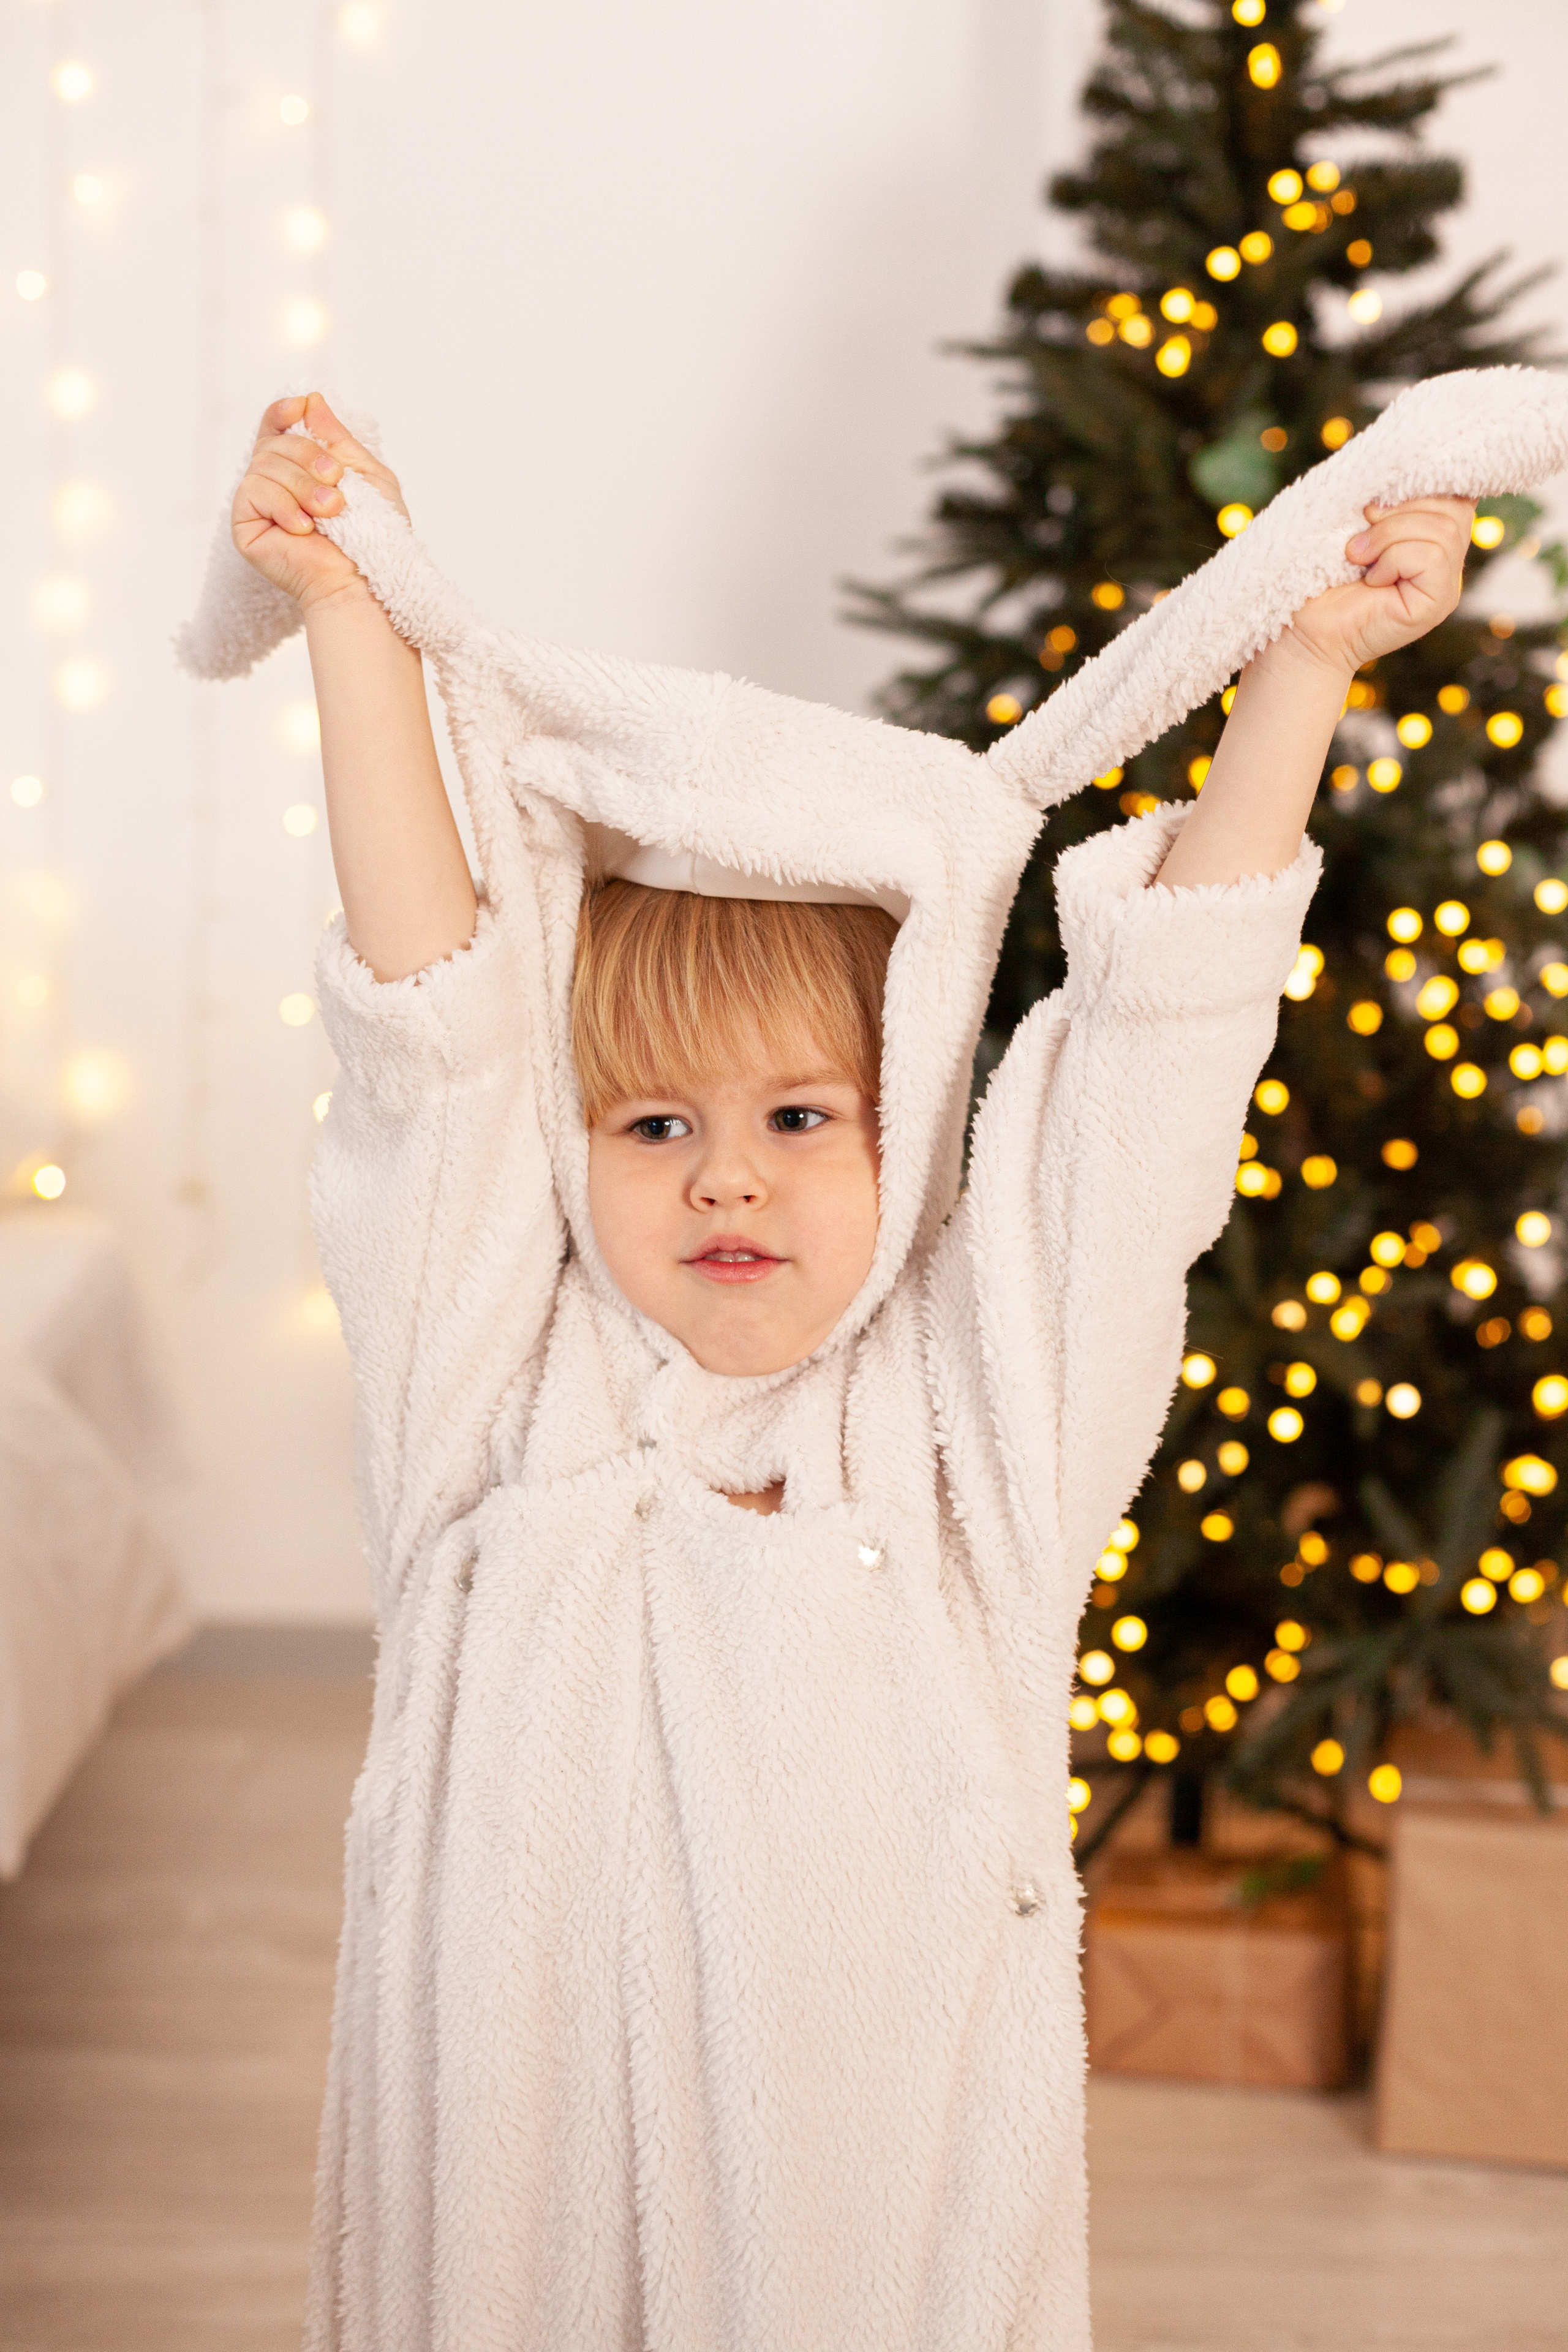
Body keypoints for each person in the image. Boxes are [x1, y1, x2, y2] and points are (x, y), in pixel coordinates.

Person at [195, 379, 1509, 2349]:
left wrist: (1307, 663)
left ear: (905, 1120)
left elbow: (1151, 1059)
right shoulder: (497, 1382)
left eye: (801, 1117)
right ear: (574, 1145)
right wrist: (355, 624)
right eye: (653, 1127)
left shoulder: (975, 1419)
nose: (724, 1170)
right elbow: (426, 1029)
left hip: (870, 2258)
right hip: (508, 2245)